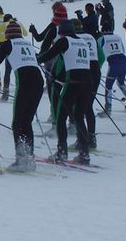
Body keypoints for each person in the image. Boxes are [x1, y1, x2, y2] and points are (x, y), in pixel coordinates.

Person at [0, 21, 44, 171]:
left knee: (17, 123)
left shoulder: (8, 44)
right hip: (38, 82)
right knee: (27, 122)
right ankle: (29, 157)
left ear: (8, 34)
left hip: (25, 83)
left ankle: (21, 160)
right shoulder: (27, 43)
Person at [37, 19, 93, 165]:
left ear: (61, 33)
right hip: (87, 84)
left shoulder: (64, 41)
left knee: (61, 117)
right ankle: (84, 153)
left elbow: (49, 54)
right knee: (79, 117)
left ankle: (62, 152)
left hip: (73, 83)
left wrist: (37, 58)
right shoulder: (82, 42)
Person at [29, 2, 68, 132]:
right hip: (69, 59)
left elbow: (41, 39)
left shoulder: (53, 26)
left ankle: (55, 119)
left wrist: (39, 57)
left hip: (53, 59)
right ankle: (71, 122)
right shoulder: (71, 25)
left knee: (53, 90)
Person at [72, 18, 105, 149]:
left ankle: (82, 139)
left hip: (81, 71)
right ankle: (91, 138)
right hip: (95, 70)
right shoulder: (91, 37)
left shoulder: (73, 39)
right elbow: (102, 56)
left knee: (78, 107)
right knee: (88, 106)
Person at [98, 24, 126, 116]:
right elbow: (122, 49)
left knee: (108, 86)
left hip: (114, 63)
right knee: (120, 82)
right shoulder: (118, 37)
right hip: (123, 61)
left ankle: (108, 109)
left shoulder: (102, 38)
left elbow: (97, 51)